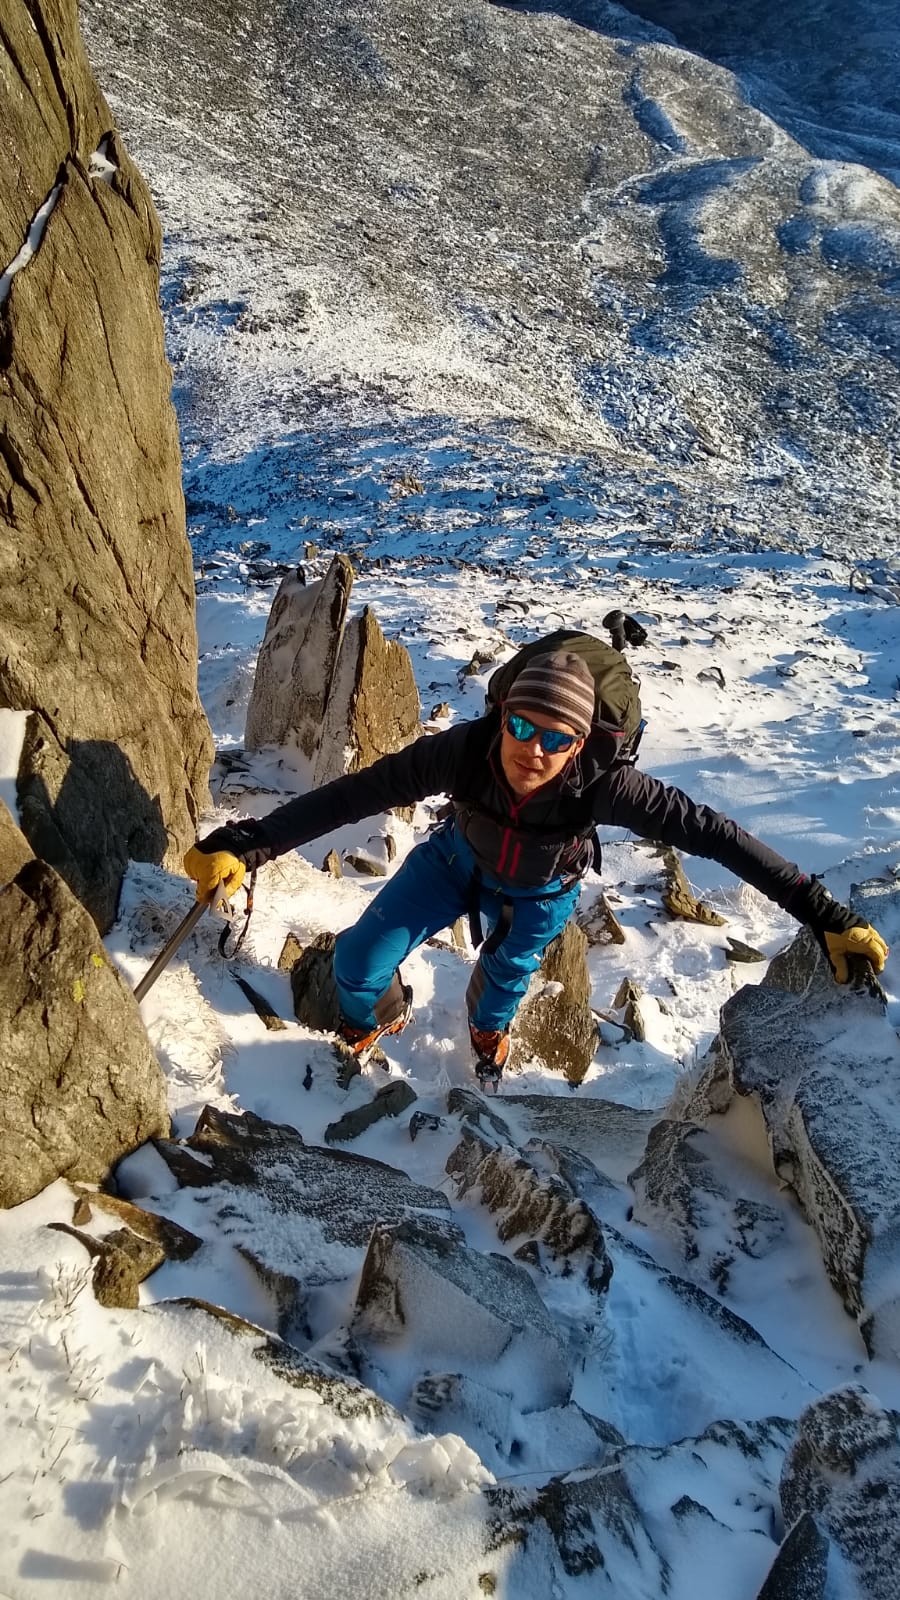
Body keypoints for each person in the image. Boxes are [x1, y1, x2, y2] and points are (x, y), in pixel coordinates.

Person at [184, 650, 889, 1083]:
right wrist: (250, 845)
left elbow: (718, 835)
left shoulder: (607, 785)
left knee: (501, 992)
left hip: (542, 890)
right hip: (456, 856)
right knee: (359, 958)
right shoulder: (462, 752)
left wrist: (826, 917)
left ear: (581, 744)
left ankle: (487, 1035)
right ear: (503, 719)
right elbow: (357, 793)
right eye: (522, 726)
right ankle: (385, 1013)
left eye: (558, 738)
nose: (534, 749)